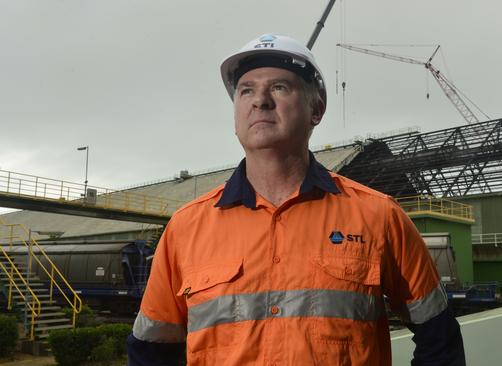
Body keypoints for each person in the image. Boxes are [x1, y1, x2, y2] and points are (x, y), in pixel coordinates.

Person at [127, 33, 465, 366]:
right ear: (236, 116)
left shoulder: (378, 217)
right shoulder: (186, 228)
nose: (260, 100)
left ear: (316, 109)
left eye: (279, 87)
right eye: (246, 90)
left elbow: (441, 341)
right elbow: (150, 352)